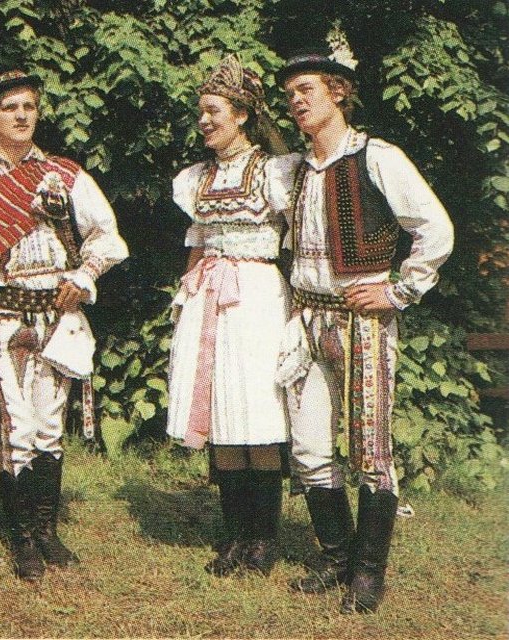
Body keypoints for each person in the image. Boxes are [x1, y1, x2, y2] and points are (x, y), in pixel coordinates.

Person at [274, 31, 454, 613]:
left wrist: (399, 290)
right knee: (308, 449)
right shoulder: (293, 170)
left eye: (306, 89)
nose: (297, 101)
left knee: (372, 452)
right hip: (305, 320)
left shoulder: (378, 157)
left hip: (362, 323)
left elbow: (435, 229)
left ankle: (368, 573)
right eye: (290, 94)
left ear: (338, 91)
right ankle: (336, 559)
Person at [0, 70, 128, 582]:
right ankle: (22, 539)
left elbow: (106, 235)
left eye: (29, 106)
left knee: (51, 427)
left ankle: (46, 530)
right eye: (9, 107)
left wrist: (84, 275)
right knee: (17, 428)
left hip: (57, 315)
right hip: (2, 318)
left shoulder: (62, 174)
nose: (21, 116)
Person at [166, 54, 296, 578]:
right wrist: (184, 299)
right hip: (207, 298)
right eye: (200, 112)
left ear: (242, 115)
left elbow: (301, 239)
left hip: (257, 297)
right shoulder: (197, 179)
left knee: (257, 412)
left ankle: (263, 538)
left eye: (213, 111)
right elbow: (198, 242)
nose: (204, 121)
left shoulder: (275, 171)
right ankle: (236, 534)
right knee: (221, 413)